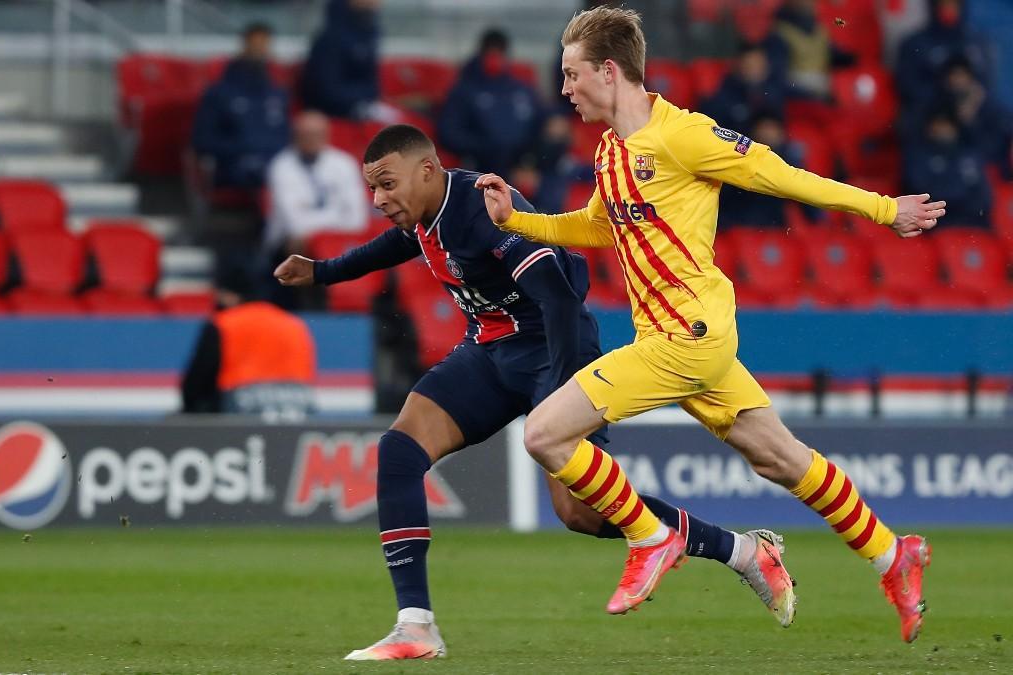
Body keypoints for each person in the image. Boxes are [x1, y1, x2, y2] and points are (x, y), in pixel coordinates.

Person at [475, 6, 944, 643]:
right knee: (781, 459)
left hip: (687, 336)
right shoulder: (612, 150)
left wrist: (885, 208)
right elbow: (597, 227)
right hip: (680, 342)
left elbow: (780, 175)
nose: (564, 89)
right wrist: (516, 221)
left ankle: (651, 538)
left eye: (571, 74)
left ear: (608, 72)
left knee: (545, 434)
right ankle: (894, 555)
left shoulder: (684, 134)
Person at [274, 124, 796, 661]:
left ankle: (743, 551)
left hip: (554, 353)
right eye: (373, 190)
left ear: (427, 170)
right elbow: (397, 245)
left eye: (387, 185)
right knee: (399, 451)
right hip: (490, 352)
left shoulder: (481, 208)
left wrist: (569, 391)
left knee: (582, 514)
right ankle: (416, 626)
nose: (379, 200)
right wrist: (323, 271)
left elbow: (561, 298)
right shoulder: (426, 214)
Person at [190, 22, 289, 191]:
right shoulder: (219, 93)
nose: (261, 50)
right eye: (256, 44)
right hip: (236, 165)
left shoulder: (277, 94)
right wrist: (245, 147)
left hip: (277, 164)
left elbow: (285, 136)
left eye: (265, 44)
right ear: (244, 45)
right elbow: (203, 140)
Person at [437, 28, 546, 178]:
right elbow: (450, 133)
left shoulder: (521, 89)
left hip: (526, 160)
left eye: (499, 52)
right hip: (483, 163)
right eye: (490, 52)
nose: (495, 58)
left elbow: (540, 120)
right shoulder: (464, 90)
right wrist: (487, 147)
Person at [264, 110, 370, 255]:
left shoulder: (344, 163)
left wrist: (324, 226)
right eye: (306, 135)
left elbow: (358, 219)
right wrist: (337, 216)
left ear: (327, 135)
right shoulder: (281, 166)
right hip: (291, 244)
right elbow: (295, 224)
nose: (312, 140)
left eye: (317, 134)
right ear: (295, 136)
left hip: (338, 239)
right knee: (299, 244)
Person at [299, 0, 400, 122]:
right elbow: (327, 91)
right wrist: (364, 98)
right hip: (331, 111)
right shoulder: (330, 38)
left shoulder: (370, 32)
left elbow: (373, 83)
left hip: (364, 104)